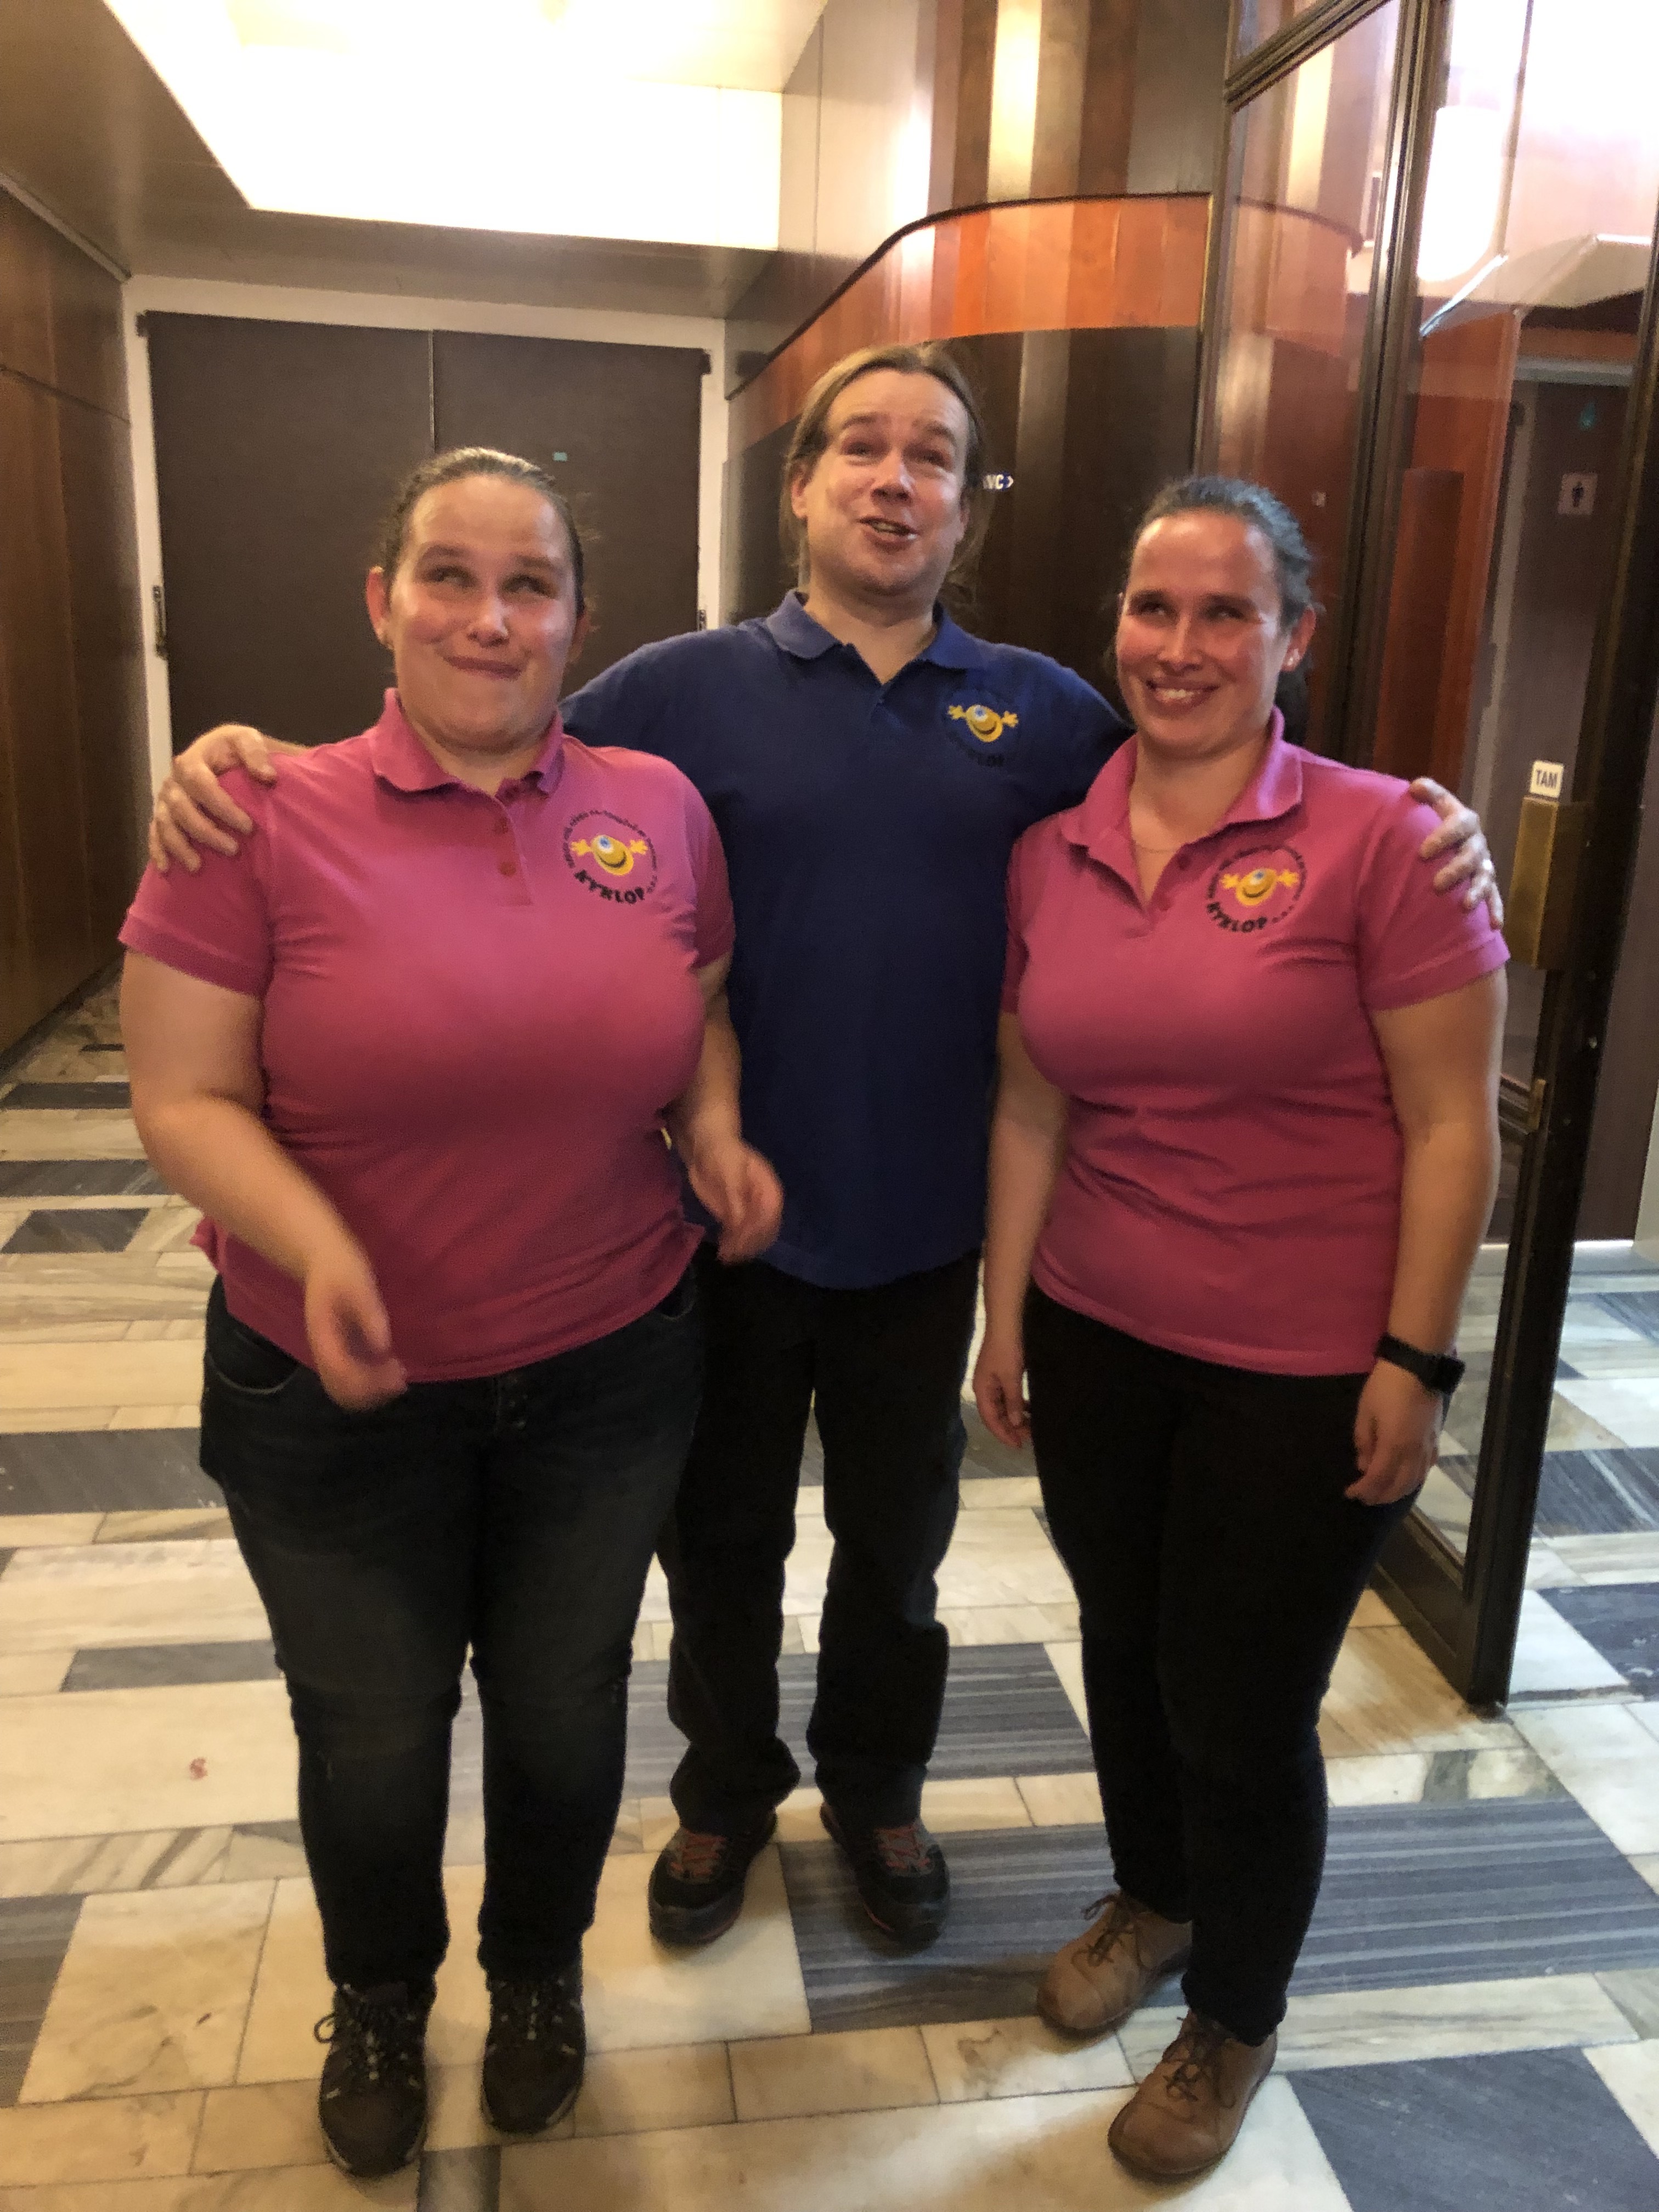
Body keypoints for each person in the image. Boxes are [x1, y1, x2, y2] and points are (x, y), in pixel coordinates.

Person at [145, 343, 1499, 1953]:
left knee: (897, 1550)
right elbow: (477, 735)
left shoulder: (1048, 714)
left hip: (928, 1227)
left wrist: (1424, 822)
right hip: (707, 1230)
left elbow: (1203, 782)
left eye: (934, 456)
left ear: (966, 507)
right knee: (719, 1545)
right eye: (861, 446)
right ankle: (725, 1789)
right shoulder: (671, 692)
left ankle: (878, 1784)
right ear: (801, 486)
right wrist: (233, 763)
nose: (893, 479)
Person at [120, 447, 780, 2181]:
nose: (490, 618)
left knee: (563, 1703)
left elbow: (698, 1002)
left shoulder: (658, 806)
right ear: (382, 601)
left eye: (530, 584)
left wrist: (711, 1128)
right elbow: (183, 1095)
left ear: (578, 617)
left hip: (611, 1366)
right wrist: (316, 1244)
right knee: (372, 1724)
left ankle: (539, 1974)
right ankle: (380, 1995)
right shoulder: (254, 813)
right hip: (330, 1387)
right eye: (450, 577)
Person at [974, 475, 1506, 2183]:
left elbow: (1453, 1123)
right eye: (1155, 607)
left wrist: (1417, 1358)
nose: (1182, 645)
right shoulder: (1052, 847)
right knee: (1125, 1648)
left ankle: (1237, 2015)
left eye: (1227, 612)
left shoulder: (1389, 841)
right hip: (1101, 1332)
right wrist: (1004, 1316)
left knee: (1240, 1701)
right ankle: (1159, 1897)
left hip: (1304, 1365)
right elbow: (1033, 1102)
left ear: (1296, 636)